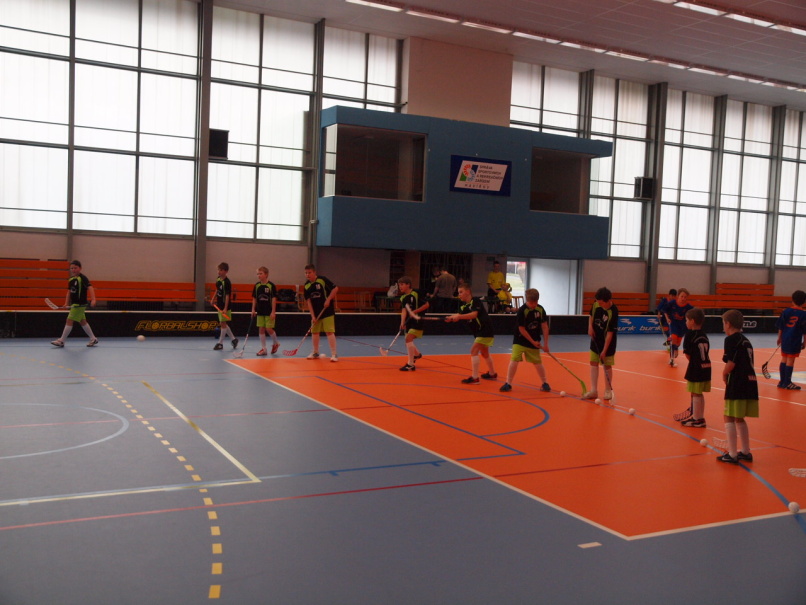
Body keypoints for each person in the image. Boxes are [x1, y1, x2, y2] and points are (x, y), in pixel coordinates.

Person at [718, 309, 758, 464]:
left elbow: (731, 362)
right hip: (750, 381)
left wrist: (724, 373)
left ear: (728, 324)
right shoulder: (746, 340)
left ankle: (732, 454)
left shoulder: (731, 339)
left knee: (728, 415)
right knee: (739, 417)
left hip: (738, 381)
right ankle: (746, 452)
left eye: (723, 323)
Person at [499, 288, 550, 392]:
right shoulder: (522, 311)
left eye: (536, 302)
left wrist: (546, 344)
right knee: (514, 359)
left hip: (535, 339)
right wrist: (533, 342)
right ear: (527, 300)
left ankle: (545, 383)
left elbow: (545, 326)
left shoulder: (540, 309)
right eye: (531, 303)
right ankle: (508, 383)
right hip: (520, 339)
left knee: (537, 362)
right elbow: (522, 329)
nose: (534, 305)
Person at [445, 282, 497, 384]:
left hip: (485, 330)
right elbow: (459, 315)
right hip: (479, 332)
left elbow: (474, 314)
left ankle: (475, 378)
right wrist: (450, 318)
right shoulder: (464, 307)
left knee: (473, 351)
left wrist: (459, 317)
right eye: (458, 292)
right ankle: (492, 373)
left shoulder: (475, 301)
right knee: (485, 353)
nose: (459, 295)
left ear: (468, 292)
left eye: (461, 292)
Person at [51, 260, 99, 348]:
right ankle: (93, 338)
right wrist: (66, 303)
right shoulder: (71, 279)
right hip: (74, 304)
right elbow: (69, 292)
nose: (73, 270)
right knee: (82, 321)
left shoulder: (83, 278)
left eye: (75, 268)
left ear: (80, 268)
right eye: (72, 268)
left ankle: (61, 341)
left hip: (80, 304)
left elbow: (90, 287)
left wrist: (93, 299)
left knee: (69, 320)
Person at [584, 287, 618, 401]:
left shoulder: (613, 311)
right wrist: (590, 327)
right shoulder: (596, 304)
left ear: (608, 300)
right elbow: (591, 315)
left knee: (606, 365)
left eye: (601, 302)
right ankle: (594, 391)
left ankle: (608, 390)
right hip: (595, 339)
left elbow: (610, 333)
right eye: (598, 302)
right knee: (593, 362)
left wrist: (604, 351)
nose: (599, 304)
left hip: (608, 342)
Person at [679, 307, 711, 428]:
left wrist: (694, 364)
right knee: (699, 392)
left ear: (692, 321)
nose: (686, 322)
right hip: (706, 367)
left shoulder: (689, 335)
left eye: (687, 320)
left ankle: (697, 419)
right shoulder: (704, 334)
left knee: (695, 393)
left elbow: (688, 355)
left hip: (696, 367)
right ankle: (700, 417)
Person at [303, 264, 339, 361]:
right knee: (315, 332)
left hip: (327, 311)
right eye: (306, 273)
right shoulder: (306, 285)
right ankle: (315, 352)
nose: (307, 274)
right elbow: (308, 302)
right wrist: (312, 316)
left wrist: (328, 300)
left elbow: (335, 289)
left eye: (309, 272)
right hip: (316, 313)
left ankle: (334, 354)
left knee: (329, 332)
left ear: (314, 272)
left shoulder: (322, 280)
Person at [774, 289, 806, 390]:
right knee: (790, 360)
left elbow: (781, 326)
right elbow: (805, 331)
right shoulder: (804, 314)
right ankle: (787, 382)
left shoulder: (786, 311)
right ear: (804, 302)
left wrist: (779, 337)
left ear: (792, 300)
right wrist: (804, 342)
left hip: (785, 338)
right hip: (795, 339)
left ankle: (782, 382)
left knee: (784, 358)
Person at [397, 276, 429, 371]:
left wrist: (414, 312)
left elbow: (426, 305)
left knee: (408, 338)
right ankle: (417, 355)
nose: (400, 287)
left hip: (417, 320)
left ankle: (410, 364)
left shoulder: (416, 293)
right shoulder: (403, 297)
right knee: (407, 340)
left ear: (408, 285)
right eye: (399, 285)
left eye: (402, 284)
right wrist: (402, 322)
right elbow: (404, 310)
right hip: (409, 321)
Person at [252, 266, 279, 356]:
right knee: (261, 329)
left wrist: (273, 312)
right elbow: (254, 298)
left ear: (266, 274)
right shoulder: (257, 285)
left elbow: (274, 299)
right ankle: (264, 349)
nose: (258, 275)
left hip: (269, 311)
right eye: (258, 274)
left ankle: (276, 343)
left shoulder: (271, 286)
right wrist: (253, 309)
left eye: (261, 273)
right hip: (260, 311)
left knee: (268, 329)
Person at [663, 287, 692, 366]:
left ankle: (676, 347)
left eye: (685, 297)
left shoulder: (688, 307)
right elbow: (665, 310)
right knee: (673, 338)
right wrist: (667, 318)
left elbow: (693, 314)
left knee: (677, 343)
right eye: (682, 296)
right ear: (678, 296)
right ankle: (672, 359)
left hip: (682, 326)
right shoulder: (672, 303)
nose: (683, 298)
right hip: (673, 324)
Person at [212, 262, 237, 351]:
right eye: (218, 270)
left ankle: (220, 343)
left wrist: (225, 308)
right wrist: (213, 299)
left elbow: (227, 296)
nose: (219, 272)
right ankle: (234, 339)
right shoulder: (218, 279)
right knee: (223, 323)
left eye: (221, 270)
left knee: (223, 324)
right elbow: (217, 290)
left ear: (226, 271)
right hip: (219, 304)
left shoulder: (227, 282)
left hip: (225, 306)